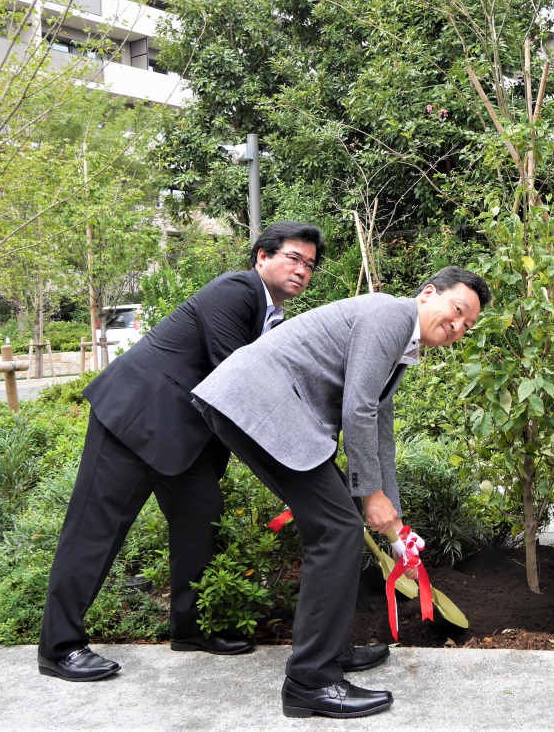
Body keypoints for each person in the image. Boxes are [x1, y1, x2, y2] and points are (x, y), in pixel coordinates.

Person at [192, 266, 490, 720]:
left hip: (266, 409)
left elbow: (380, 431)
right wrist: (371, 495)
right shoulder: (392, 315)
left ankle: (328, 650)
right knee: (337, 531)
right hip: (262, 404)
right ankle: (310, 683)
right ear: (428, 293)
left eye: (468, 326)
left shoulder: (401, 345)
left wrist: (396, 520)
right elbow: (358, 407)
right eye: (457, 311)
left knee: (336, 529)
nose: (458, 327)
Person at [38, 222, 326, 682]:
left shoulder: (272, 315)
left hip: (185, 440)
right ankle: (60, 647)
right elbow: (238, 377)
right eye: (293, 257)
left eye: (309, 265)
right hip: (135, 422)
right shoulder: (236, 290)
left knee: (200, 521)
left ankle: (190, 629)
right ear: (262, 257)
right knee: (95, 532)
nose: (302, 270)